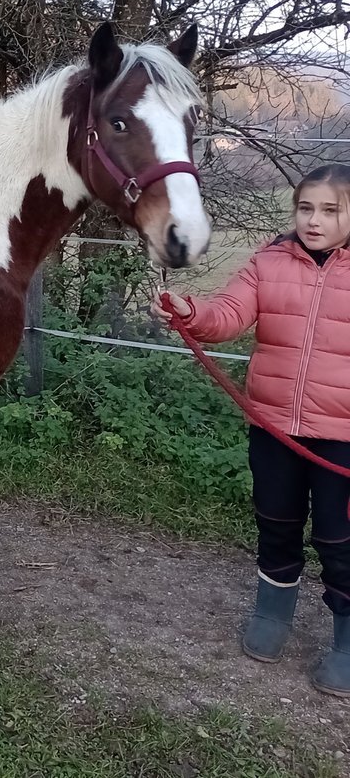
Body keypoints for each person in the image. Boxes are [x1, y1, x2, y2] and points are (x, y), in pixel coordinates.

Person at [153, 164, 350, 697]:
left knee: (342, 538)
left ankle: (347, 642)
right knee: (277, 522)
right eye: (306, 208)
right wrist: (189, 310)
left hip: (344, 438)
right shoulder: (268, 261)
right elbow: (229, 314)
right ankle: (273, 613)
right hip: (273, 425)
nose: (314, 220)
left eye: (330, 211)